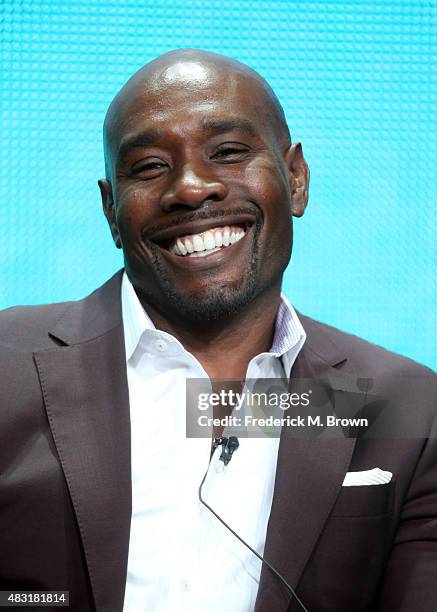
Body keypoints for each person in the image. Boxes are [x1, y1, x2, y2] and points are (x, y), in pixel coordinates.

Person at [0, 49, 435, 612]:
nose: (192, 187)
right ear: (111, 211)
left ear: (296, 178)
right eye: (151, 166)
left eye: (228, 152)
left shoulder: (403, 405)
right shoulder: (7, 368)